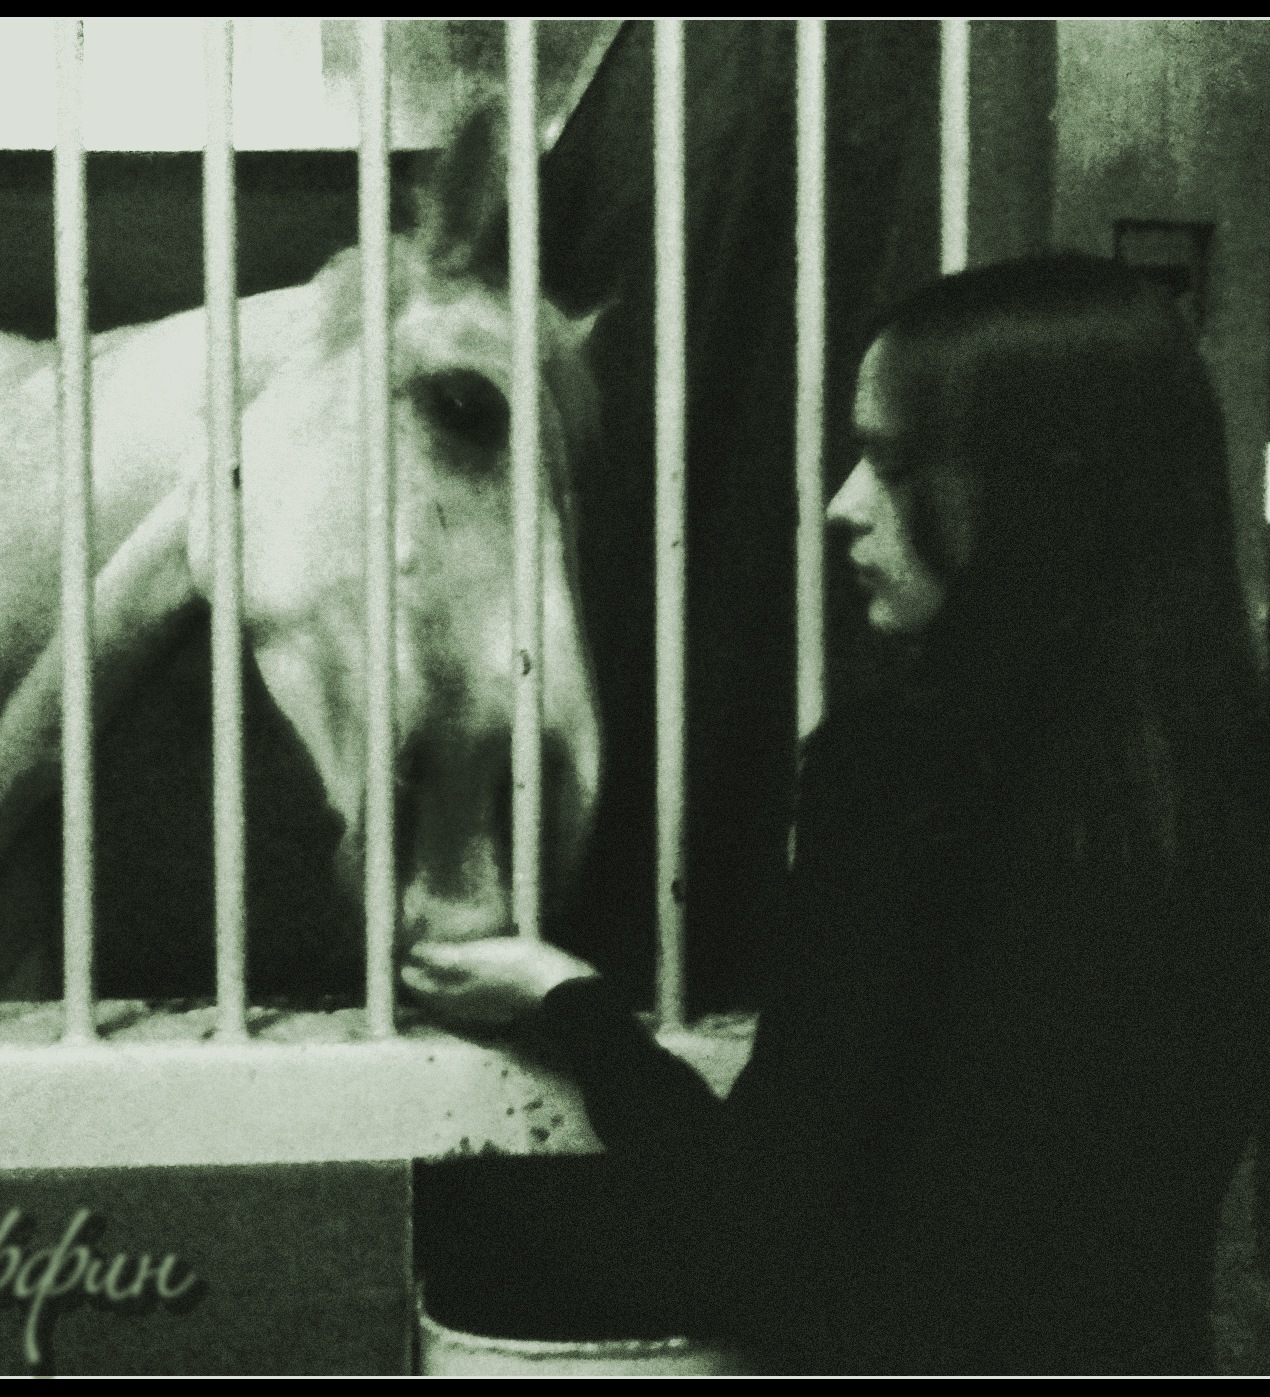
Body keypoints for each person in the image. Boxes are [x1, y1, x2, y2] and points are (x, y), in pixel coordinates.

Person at [401, 255, 1270, 1375]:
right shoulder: (1222, 767)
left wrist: (569, 1006)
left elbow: (763, 1233)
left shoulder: (901, 771)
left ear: (1037, 488)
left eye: (894, 465)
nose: (842, 506)